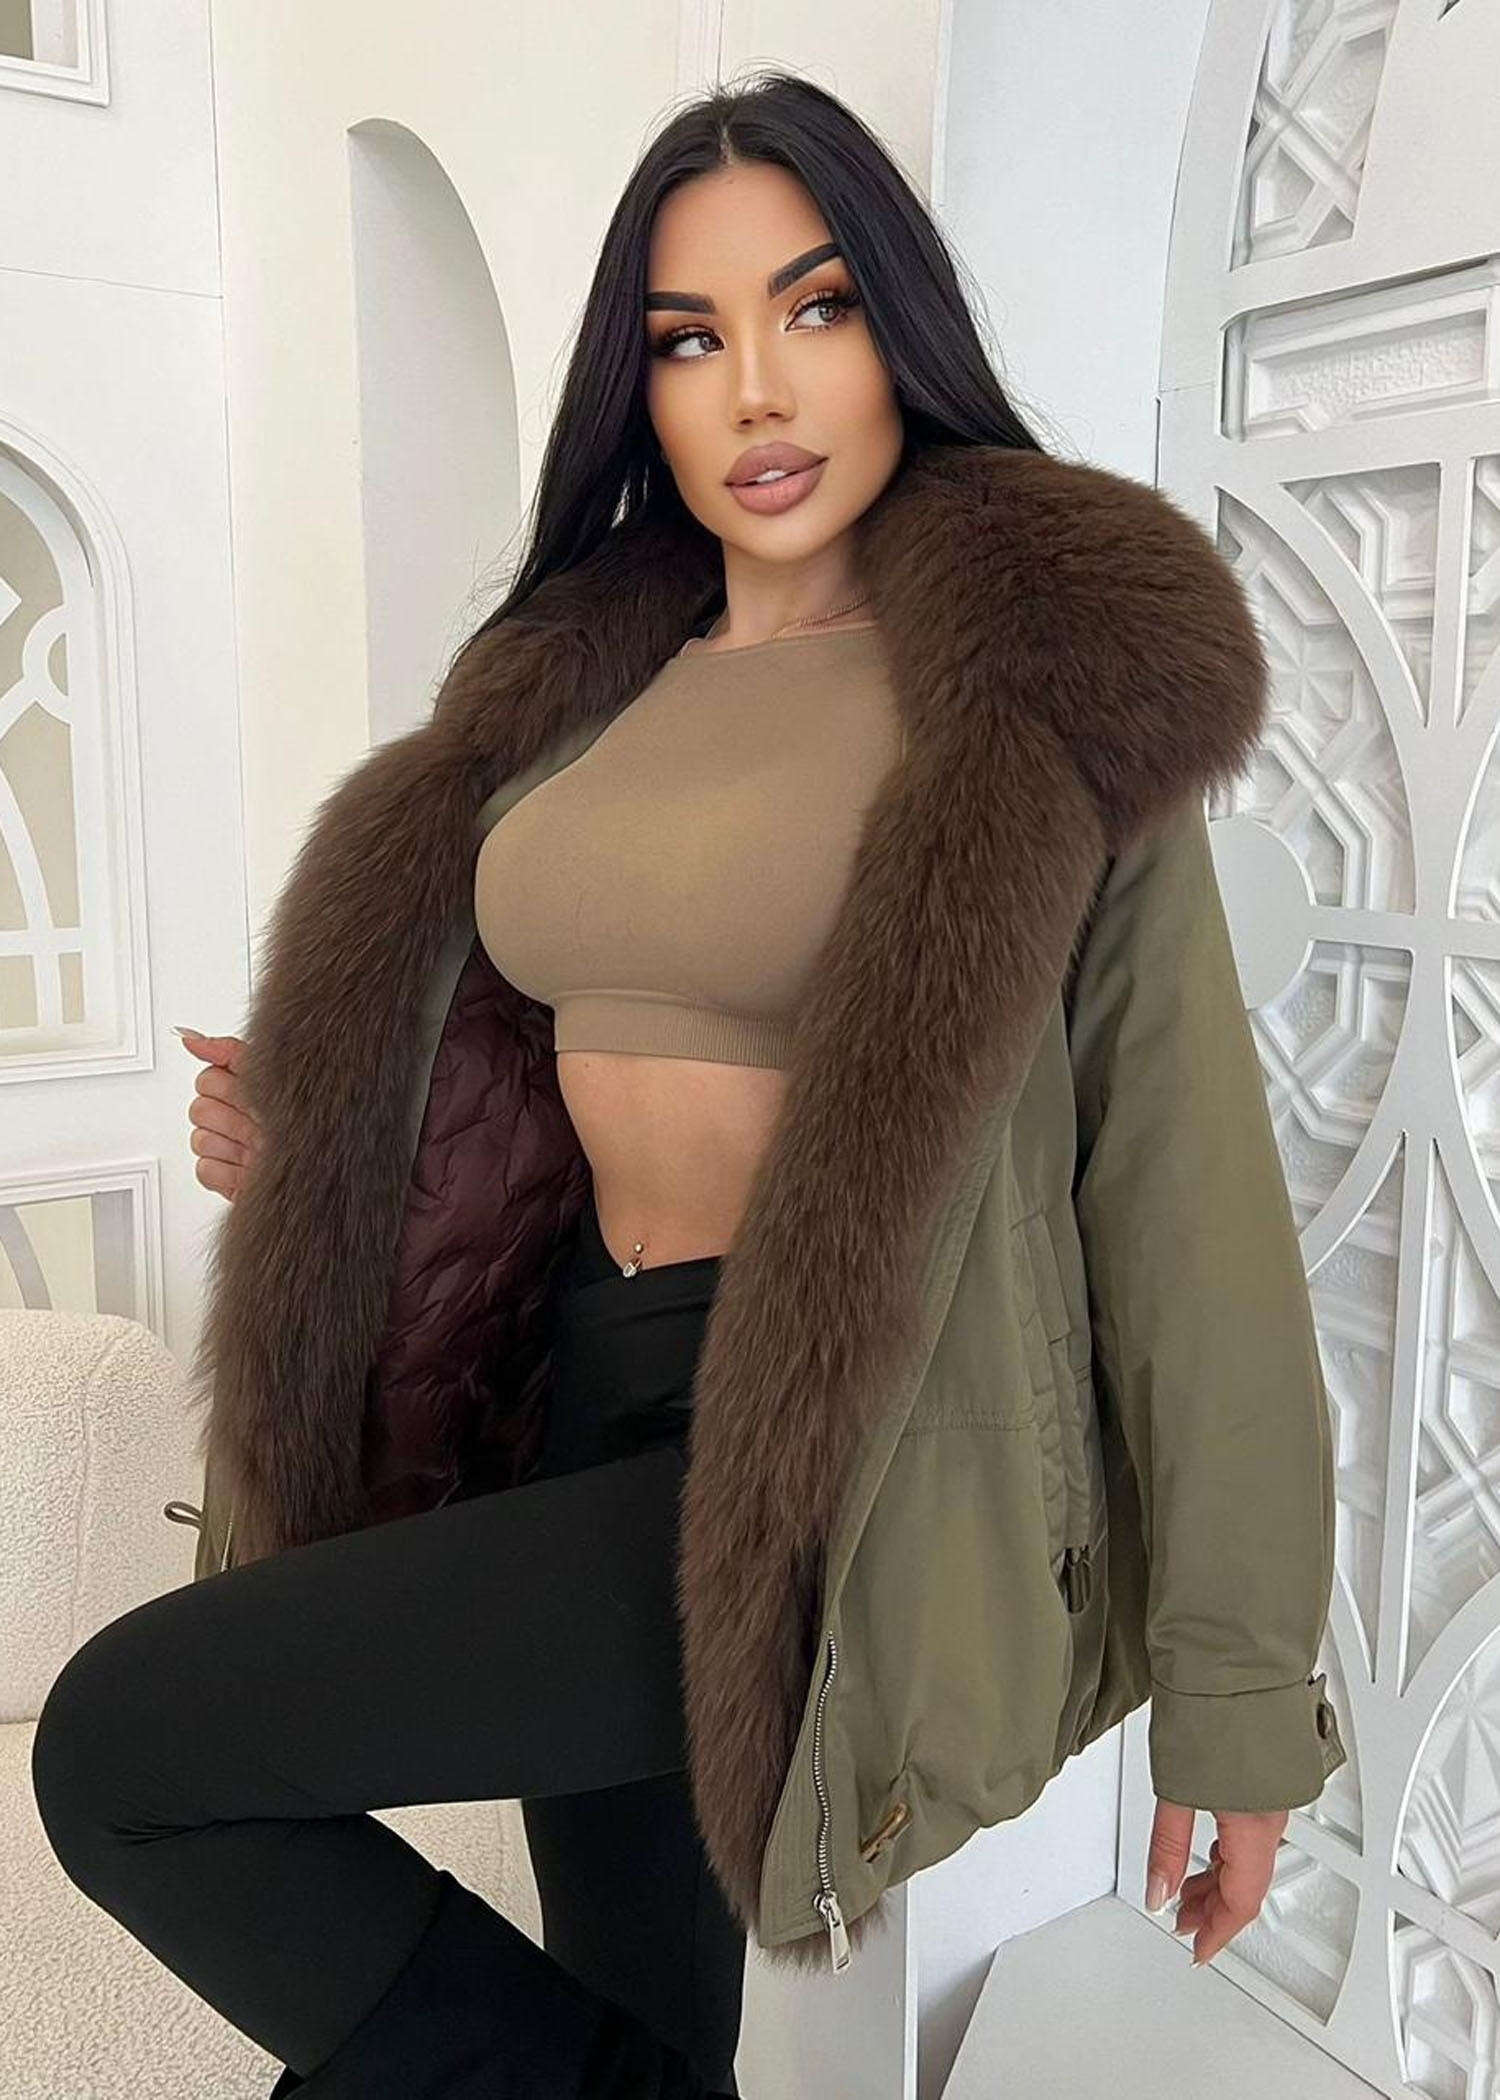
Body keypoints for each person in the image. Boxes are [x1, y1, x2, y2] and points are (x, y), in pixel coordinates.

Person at [28, 67, 1345, 2100]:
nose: (759, 389)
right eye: (689, 337)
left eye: (815, 308)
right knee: (630, 1994)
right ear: (634, 386)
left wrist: (1238, 1697)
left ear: (900, 334)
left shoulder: (1043, 700)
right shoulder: (578, 681)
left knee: (127, 1750)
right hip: (562, 1379)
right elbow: (527, 1060)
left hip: (823, 1450)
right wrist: (331, 1147)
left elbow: (1189, 1207)